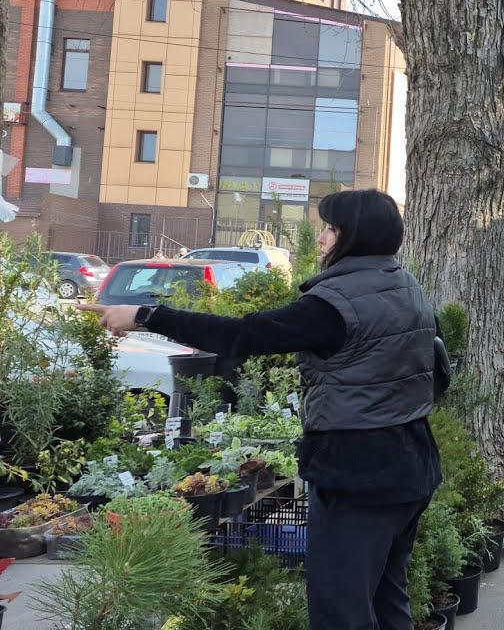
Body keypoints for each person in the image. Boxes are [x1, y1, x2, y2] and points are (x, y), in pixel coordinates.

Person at [77, 189, 443, 630]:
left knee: (340, 608)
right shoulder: (405, 285)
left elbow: (243, 335)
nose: (322, 238)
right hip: (412, 461)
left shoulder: (335, 304)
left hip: (358, 471)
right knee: (387, 596)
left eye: (330, 228)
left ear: (353, 237)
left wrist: (146, 315)